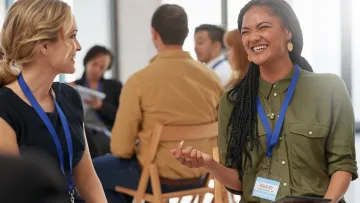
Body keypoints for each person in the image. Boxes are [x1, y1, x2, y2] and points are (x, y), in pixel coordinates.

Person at [172, 0, 357, 203]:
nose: (253, 37)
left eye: (263, 27)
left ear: (288, 32)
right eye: (245, 32)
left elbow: (343, 166)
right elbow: (239, 182)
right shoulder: (233, 100)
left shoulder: (330, 89)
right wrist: (209, 164)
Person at [93, 4, 223, 203]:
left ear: (154, 33)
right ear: (186, 34)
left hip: (156, 179)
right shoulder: (212, 79)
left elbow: (120, 148)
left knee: (89, 173)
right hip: (201, 176)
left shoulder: (139, 81)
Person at [0, 0, 107, 202]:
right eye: (72, 36)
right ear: (44, 45)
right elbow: (13, 194)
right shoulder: (5, 108)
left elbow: (87, 178)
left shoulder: (70, 97)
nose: (79, 46)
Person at [74, 45, 122, 158]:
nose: (96, 70)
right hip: (80, 131)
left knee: (93, 143)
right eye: (94, 64)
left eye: (102, 67)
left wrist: (101, 106)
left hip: (104, 132)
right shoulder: (74, 86)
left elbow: (121, 117)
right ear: (87, 62)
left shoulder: (114, 86)